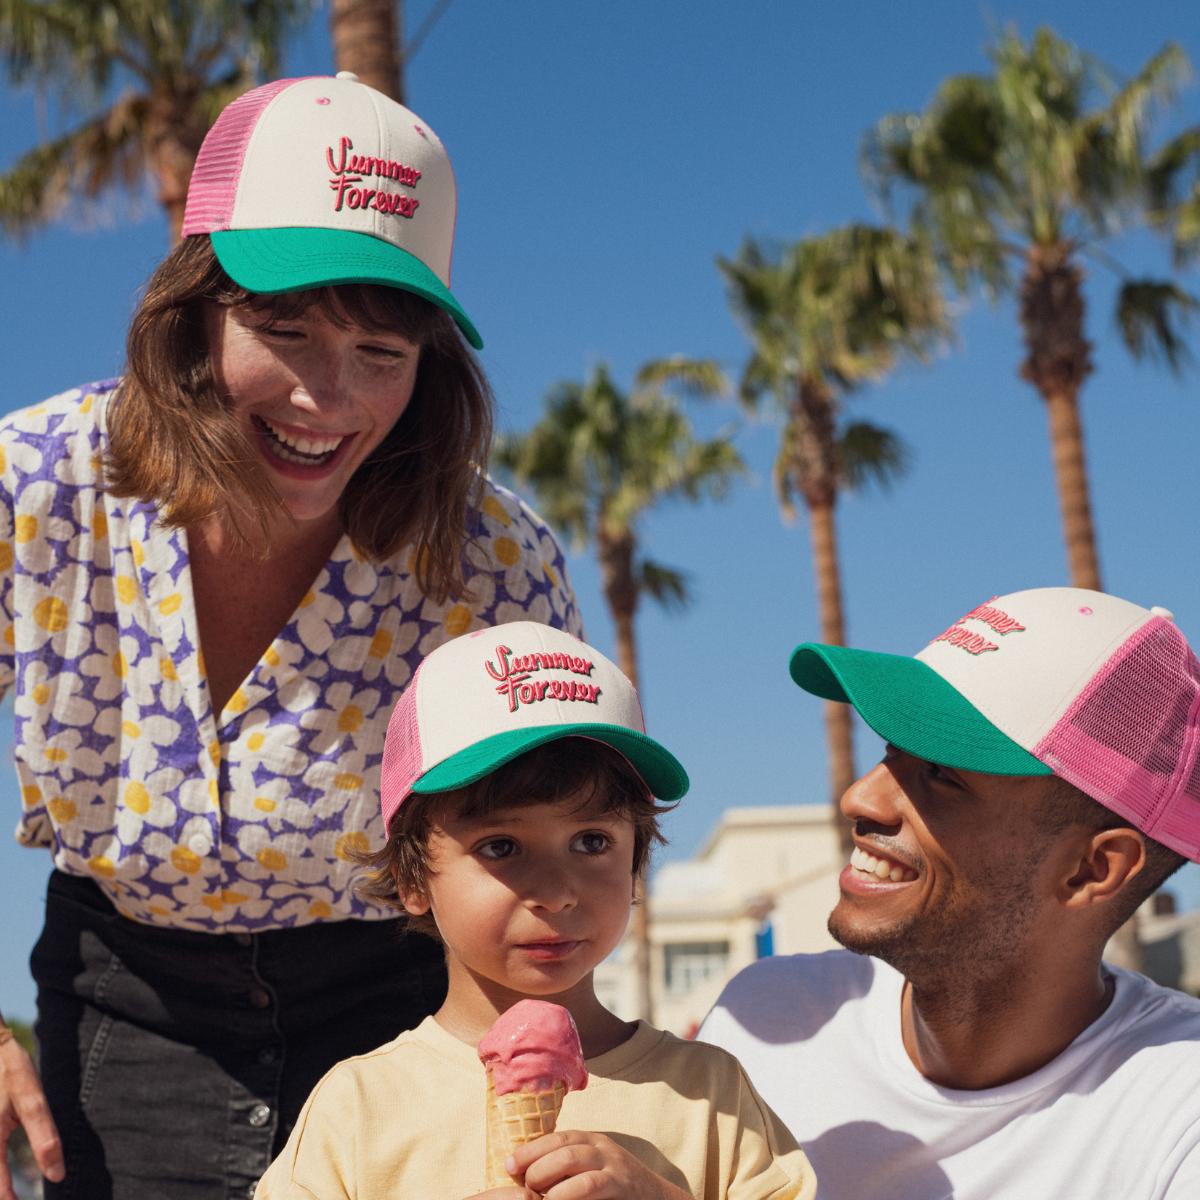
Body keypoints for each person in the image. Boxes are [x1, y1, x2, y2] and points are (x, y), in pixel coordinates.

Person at [0, 74, 581, 1199]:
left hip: (406, 1013)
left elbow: (554, 844)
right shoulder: (32, 487)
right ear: (193, 311)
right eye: (284, 329)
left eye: (383, 353)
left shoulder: (498, 562)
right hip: (127, 1001)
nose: (328, 398)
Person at [255, 620, 816, 1199]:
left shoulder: (709, 1092)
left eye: (592, 841)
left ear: (634, 862)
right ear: (412, 877)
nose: (556, 891)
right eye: (501, 847)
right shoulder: (359, 1104)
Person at [700, 586, 1200, 1199]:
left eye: (941, 775)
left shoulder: (1180, 1107)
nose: (861, 798)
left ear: (1093, 870)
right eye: (890, 753)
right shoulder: (765, 1019)